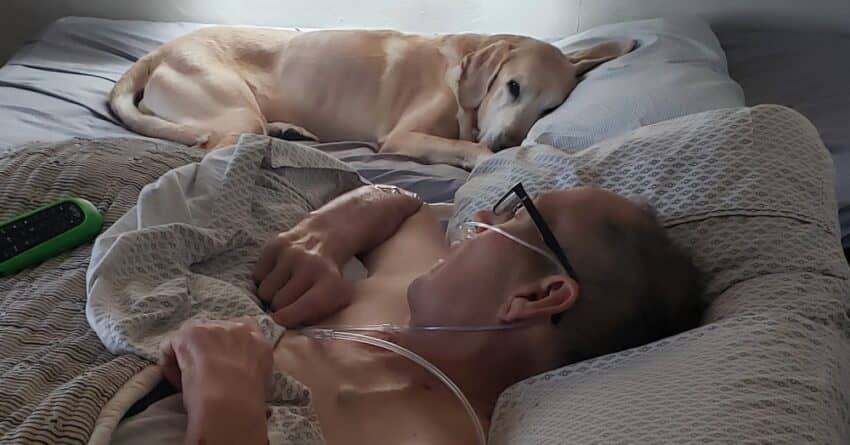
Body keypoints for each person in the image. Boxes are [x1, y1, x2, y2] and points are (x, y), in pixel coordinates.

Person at [140, 183, 703, 444]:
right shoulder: (408, 293)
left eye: (517, 217)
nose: (480, 216)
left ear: (538, 296)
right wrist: (323, 236)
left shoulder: (428, 433)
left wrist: (225, 396)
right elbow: (402, 203)